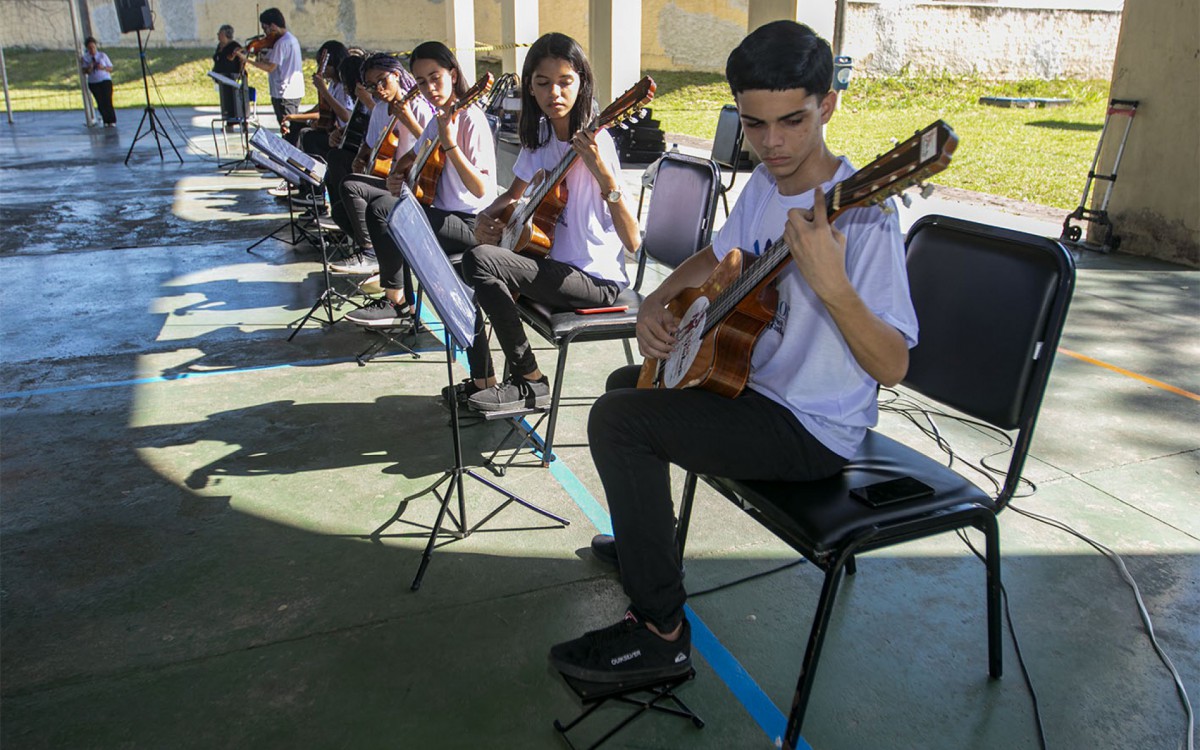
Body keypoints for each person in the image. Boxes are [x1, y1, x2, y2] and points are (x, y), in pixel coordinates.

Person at [547, 21, 919, 685]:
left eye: (792, 122)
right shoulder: (767, 184)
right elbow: (717, 257)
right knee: (623, 383)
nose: (772, 144)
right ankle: (645, 543)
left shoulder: (866, 214)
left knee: (618, 421)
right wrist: (658, 302)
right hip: (749, 386)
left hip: (810, 427)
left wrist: (832, 286)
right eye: (753, 125)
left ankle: (660, 633)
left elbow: (892, 365)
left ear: (828, 104)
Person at [446, 32, 639, 412]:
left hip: (595, 280)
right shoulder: (542, 137)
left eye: (565, 81)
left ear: (581, 82)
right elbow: (514, 196)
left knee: (481, 262)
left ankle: (530, 381)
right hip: (551, 265)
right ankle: (484, 379)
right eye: (543, 83)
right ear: (530, 89)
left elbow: (632, 241)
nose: (555, 92)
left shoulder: (599, 144)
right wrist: (488, 218)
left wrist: (605, 177)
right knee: (474, 259)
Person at [338, 42, 495, 328]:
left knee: (386, 210)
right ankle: (400, 300)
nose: (429, 88)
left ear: (453, 75)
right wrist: (400, 175)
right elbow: (414, 156)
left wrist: (450, 145)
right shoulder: (439, 119)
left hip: (470, 222)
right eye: (422, 82)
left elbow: (481, 189)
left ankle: (397, 301)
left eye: (435, 78)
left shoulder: (470, 118)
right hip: (440, 212)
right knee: (373, 202)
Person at [327, 53, 435, 273]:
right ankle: (384, 252)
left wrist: (409, 121)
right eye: (371, 86)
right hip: (385, 178)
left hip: (411, 186)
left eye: (382, 81)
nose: (378, 89)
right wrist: (361, 158)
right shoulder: (378, 110)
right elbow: (369, 144)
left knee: (351, 186)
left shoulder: (417, 106)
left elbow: (433, 149)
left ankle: (371, 254)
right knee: (339, 211)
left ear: (396, 75)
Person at [238, 8, 303, 133]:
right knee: (290, 130)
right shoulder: (290, 39)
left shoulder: (281, 43)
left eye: (265, 28)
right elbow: (276, 62)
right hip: (291, 92)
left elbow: (270, 68)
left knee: (288, 131)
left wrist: (247, 61)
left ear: (273, 26)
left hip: (284, 93)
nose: (265, 34)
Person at [211, 25, 244, 125]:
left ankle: (235, 120)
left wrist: (240, 72)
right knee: (225, 100)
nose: (218, 36)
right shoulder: (220, 46)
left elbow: (242, 58)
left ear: (226, 35)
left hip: (231, 76)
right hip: (221, 77)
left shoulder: (234, 46)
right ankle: (227, 119)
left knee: (233, 99)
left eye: (220, 34)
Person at [80, 37, 116, 127]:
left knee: (107, 100)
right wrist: (90, 67)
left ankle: (112, 120)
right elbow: (84, 71)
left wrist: (103, 67)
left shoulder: (102, 55)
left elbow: (110, 67)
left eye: (93, 47)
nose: (92, 49)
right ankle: (105, 120)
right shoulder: (86, 58)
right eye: (89, 48)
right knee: (100, 102)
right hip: (94, 82)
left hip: (105, 80)